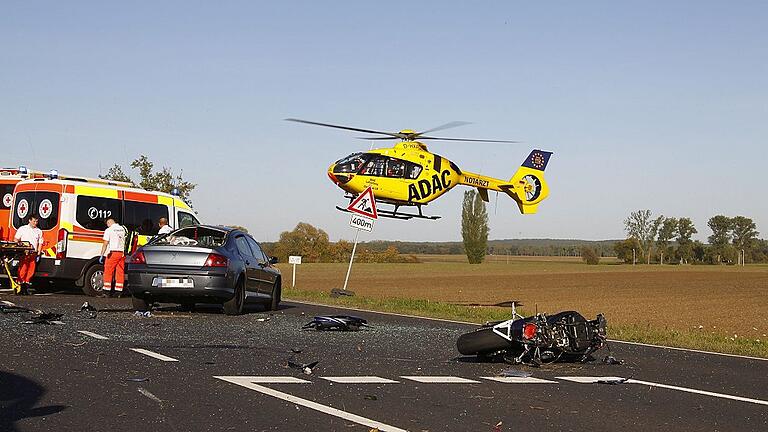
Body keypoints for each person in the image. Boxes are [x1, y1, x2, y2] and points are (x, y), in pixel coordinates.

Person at [14, 215, 43, 295]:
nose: (35, 223)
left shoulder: (39, 231)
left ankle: (26, 285)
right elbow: (16, 239)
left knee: (31, 270)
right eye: (34, 221)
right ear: (29, 220)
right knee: (23, 268)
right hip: (25, 252)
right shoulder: (23, 229)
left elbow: (40, 242)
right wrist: (20, 247)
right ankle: (20, 285)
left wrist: (38, 253)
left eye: (36, 221)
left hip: (33, 252)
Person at [100, 218, 127, 297]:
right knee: (120, 272)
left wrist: (102, 254)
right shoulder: (122, 229)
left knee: (108, 271)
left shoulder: (109, 230)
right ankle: (118, 291)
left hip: (113, 253)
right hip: (122, 253)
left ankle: (106, 291)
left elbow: (105, 243)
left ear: (108, 223)